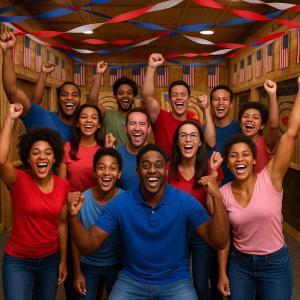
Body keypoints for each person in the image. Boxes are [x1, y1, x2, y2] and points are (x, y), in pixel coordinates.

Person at [68, 143, 229, 300]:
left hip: (176, 281)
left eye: (158, 165)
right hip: (131, 280)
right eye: (146, 165)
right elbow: (88, 245)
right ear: (138, 171)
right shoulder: (121, 203)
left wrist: (217, 197)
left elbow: (219, 241)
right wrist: (74, 217)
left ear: (166, 171)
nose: (152, 170)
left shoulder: (183, 201)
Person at [217, 77, 300, 300]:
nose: (239, 159)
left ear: (254, 160)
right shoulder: (223, 192)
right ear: (228, 162)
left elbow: (291, 132)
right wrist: (222, 273)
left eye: (245, 154)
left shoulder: (270, 178)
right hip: (239, 263)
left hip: (274, 263)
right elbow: (224, 239)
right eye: (233, 155)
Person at [0, 103, 69, 300]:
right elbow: (2, 160)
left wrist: (63, 261)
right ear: (28, 158)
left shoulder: (62, 185)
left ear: (54, 158)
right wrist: (10, 119)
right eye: (35, 152)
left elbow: (62, 224)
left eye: (48, 152)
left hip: (49, 260)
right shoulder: (18, 180)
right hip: (18, 261)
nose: (42, 157)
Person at [167, 120, 223, 300]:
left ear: (200, 142)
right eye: (183, 135)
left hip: (202, 233)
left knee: (200, 283)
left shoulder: (210, 167)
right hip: (176, 233)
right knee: (176, 281)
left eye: (193, 135)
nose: (188, 139)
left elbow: (213, 209)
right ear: (177, 142)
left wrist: (213, 177)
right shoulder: (168, 169)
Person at [0, 31, 81, 141]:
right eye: (64, 94)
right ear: (58, 99)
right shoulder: (43, 117)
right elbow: (12, 91)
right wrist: (7, 51)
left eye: (74, 95)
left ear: (80, 100)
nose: (69, 98)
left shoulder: (85, 129)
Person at [70, 148, 123, 300]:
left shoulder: (125, 200)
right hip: (88, 265)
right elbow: (75, 239)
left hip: (117, 265)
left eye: (112, 168)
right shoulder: (82, 200)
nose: (107, 172)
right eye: (101, 167)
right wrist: (78, 272)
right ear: (94, 172)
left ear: (119, 174)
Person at [141, 53, 216, 157]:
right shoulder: (161, 117)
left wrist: (206, 109)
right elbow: (146, 97)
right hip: (166, 171)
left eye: (183, 94)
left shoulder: (194, 122)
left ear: (189, 99)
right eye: (175, 95)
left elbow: (211, 143)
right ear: (170, 100)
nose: (179, 98)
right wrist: (151, 67)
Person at [58, 103, 115, 192]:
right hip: (73, 202)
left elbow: (110, 182)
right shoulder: (66, 148)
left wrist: (108, 151)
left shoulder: (104, 150)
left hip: (97, 202)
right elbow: (61, 185)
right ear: (77, 123)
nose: (89, 120)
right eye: (84, 117)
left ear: (99, 125)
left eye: (94, 117)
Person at [88, 61, 139, 147]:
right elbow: (91, 102)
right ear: (115, 96)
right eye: (121, 93)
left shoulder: (139, 117)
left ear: (134, 96)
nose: (125, 96)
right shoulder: (108, 114)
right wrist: (99, 75)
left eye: (129, 93)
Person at [238, 79, 279, 173]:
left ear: (262, 126)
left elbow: (273, 126)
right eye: (246, 116)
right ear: (240, 124)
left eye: (255, 117)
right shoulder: (237, 145)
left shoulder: (266, 142)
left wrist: (272, 95)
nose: (249, 120)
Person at [209, 85, 240, 184]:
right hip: (209, 189)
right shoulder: (203, 130)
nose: (220, 103)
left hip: (236, 189)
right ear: (210, 104)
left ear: (231, 104)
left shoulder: (241, 128)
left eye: (225, 99)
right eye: (216, 99)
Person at [116, 108, 151, 190]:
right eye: (132, 124)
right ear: (125, 128)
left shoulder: (158, 156)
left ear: (148, 129)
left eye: (142, 124)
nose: (137, 128)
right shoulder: (115, 155)